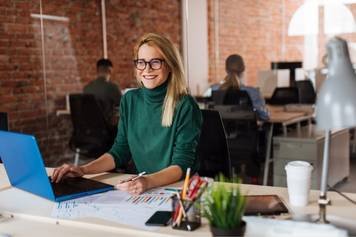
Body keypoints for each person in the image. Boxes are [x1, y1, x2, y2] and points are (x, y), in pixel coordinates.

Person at [52, 33, 203, 195]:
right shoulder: (130, 100)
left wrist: (147, 181)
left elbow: (181, 165)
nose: (147, 69)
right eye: (141, 62)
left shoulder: (185, 105)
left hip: (177, 188)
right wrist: (83, 169)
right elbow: (120, 151)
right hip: (141, 186)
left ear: (170, 65)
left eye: (155, 62)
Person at [220, 54, 269, 121]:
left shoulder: (216, 90)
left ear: (226, 69)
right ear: (244, 68)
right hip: (248, 130)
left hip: (223, 131)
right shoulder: (254, 92)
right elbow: (264, 116)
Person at [84, 58, 122, 125]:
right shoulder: (112, 87)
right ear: (110, 70)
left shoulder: (86, 88)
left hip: (90, 128)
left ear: (97, 70)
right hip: (107, 128)